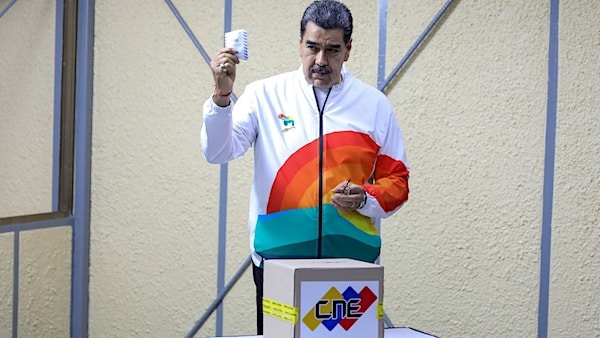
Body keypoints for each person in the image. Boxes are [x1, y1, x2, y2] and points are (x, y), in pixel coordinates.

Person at [201, 0, 410, 334]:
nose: (320, 61)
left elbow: (398, 182)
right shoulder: (264, 95)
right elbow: (218, 151)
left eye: (333, 50)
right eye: (312, 47)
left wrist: (366, 196)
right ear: (299, 44)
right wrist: (221, 98)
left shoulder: (375, 107)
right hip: (278, 262)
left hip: (352, 264)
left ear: (349, 49)